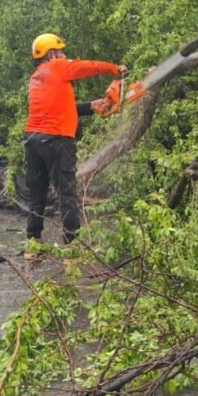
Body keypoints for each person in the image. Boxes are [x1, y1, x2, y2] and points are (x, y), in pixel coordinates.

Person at [22, 33, 126, 257]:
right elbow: (85, 66)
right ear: (51, 54)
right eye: (60, 51)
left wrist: (91, 106)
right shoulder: (57, 67)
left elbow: (59, 106)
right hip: (56, 140)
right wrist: (113, 69)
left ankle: (34, 243)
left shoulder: (37, 76)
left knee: (37, 191)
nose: (64, 55)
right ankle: (72, 245)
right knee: (67, 192)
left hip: (33, 140)